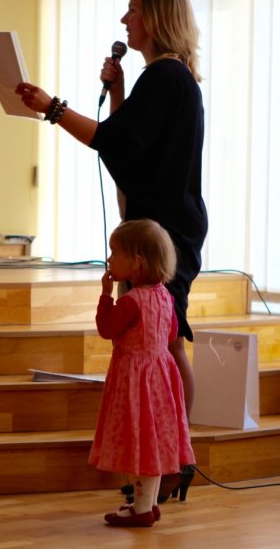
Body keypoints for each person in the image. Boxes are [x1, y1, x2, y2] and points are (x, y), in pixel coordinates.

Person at [16, 0, 208, 420]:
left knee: (166, 337)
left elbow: (112, 141)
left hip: (165, 229)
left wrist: (52, 108)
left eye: (134, 9)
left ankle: (177, 443)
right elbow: (128, 147)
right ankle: (163, 443)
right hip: (161, 223)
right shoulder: (166, 76)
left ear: (155, 18)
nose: (125, 19)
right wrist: (118, 94)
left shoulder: (165, 76)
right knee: (156, 334)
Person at [89, 219, 195, 527]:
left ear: (136, 262)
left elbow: (106, 329)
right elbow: (170, 332)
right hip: (160, 377)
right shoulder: (166, 297)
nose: (109, 259)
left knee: (139, 440)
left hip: (135, 382)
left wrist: (105, 295)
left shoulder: (131, 302)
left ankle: (142, 509)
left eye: (115, 252)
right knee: (153, 439)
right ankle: (146, 502)